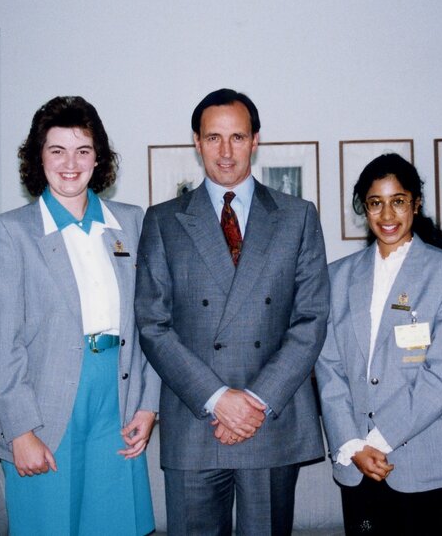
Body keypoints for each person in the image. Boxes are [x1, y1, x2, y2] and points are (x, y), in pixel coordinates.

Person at [135, 88, 330, 535]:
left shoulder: (297, 216)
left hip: (269, 419)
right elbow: (153, 324)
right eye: (214, 138)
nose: (225, 152)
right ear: (197, 142)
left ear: (255, 141)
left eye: (237, 137)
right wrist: (218, 399)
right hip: (194, 419)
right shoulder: (163, 220)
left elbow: (311, 318)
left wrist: (254, 402)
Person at [0, 96, 159, 535]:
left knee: (114, 523)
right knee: (49, 523)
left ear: (98, 158)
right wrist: (20, 430)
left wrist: (148, 404)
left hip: (116, 402)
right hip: (44, 408)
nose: (70, 163)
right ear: (37, 157)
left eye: (82, 150)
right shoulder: (10, 231)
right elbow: (3, 342)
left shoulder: (132, 223)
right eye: (56, 150)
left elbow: (151, 323)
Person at [315, 153, 442, 535]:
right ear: (365, 209)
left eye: (398, 201)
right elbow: (328, 368)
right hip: (357, 464)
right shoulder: (336, 278)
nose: (387, 215)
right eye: (376, 203)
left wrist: (379, 439)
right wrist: (352, 444)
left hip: (425, 467)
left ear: (415, 204)